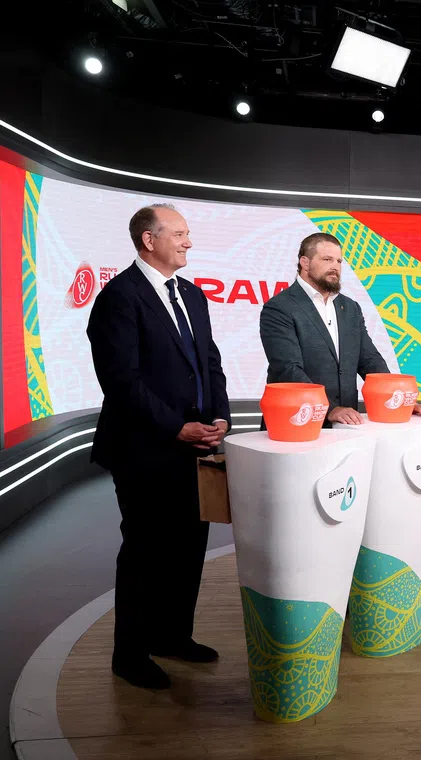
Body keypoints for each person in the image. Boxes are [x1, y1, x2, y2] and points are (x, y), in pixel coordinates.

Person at [87, 204, 231, 690]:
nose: (189, 242)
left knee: (189, 547)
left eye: (189, 234)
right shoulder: (118, 298)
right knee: (147, 551)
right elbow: (122, 383)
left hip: (195, 445)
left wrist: (219, 415)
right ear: (149, 240)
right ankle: (129, 654)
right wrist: (176, 428)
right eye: (180, 234)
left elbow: (209, 363)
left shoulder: (191, 295)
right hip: (144, 448)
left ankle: (173, 637)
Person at [260, 232, 421, 425]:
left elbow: (369, 360)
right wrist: (330, 409)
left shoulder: (350, 308)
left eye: (339, 261)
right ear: (305, 263)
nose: (335, 266)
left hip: (345, 426)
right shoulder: (279, 307)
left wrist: (398, 398)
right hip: (294, 424)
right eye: (327, 259)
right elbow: (287, 369)